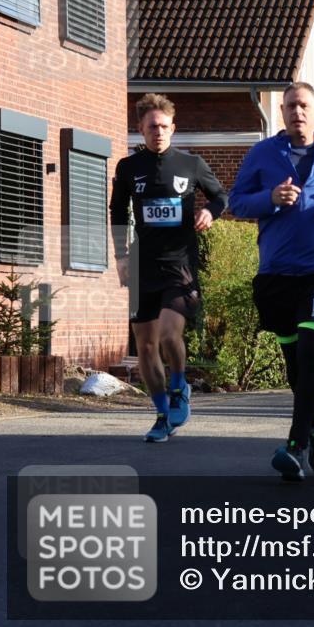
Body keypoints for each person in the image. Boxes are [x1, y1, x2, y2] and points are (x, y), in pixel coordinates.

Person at [229, 82, 314, 480]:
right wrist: (270, 198)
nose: (297, 112)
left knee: (309, 352)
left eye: (304, 105)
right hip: (276, 272)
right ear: (282, 112)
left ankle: (296, 445)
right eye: (290, 106)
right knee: (294, 366)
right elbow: (236, 202)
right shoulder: (263, 154)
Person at [110, 93, 227, 443]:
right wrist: (120, 257)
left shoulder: (190, 164)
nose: (158, 132)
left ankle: (179, 386)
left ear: (173, 129)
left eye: (163, 127)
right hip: (141, 264)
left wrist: (210, 211)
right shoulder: (128, 168)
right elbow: (117, 213)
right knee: (145, 346)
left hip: (180, 265)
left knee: (167, 334)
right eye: (151, 127)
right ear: (140, 130)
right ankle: (161, 413)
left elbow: (221, 195)